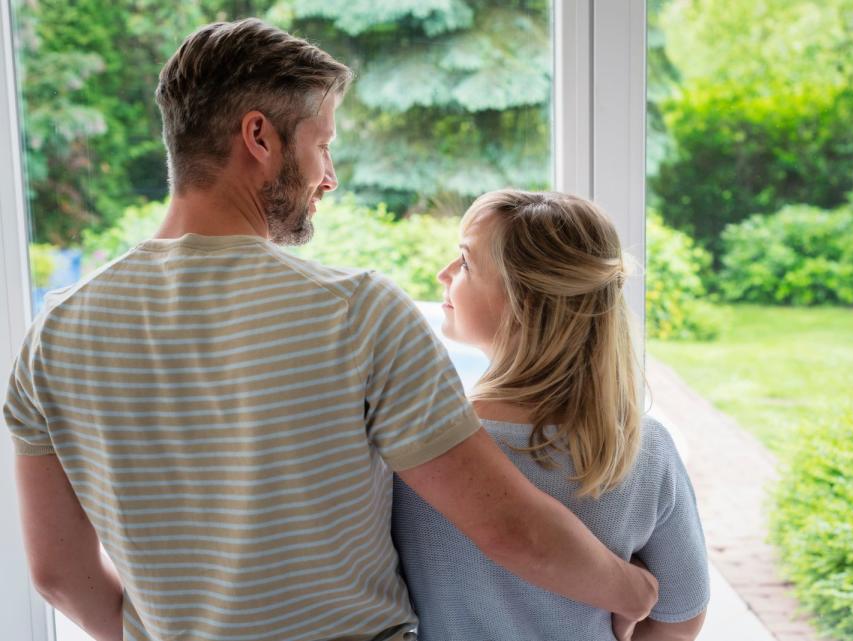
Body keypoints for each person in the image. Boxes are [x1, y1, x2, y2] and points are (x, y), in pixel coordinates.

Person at [3, 19, 658, 641]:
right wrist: (633, 591)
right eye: (323, 143)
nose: (331, 177)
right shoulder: (359, 313)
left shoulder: (52, 338)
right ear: (258, 137)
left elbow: (58, 576)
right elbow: (510, 528)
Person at [393, 189, 711, 641]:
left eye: (465, 262)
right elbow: (680, 620)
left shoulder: (426, 449)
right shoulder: (643, 449)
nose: (443, 274)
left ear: (523, 299)